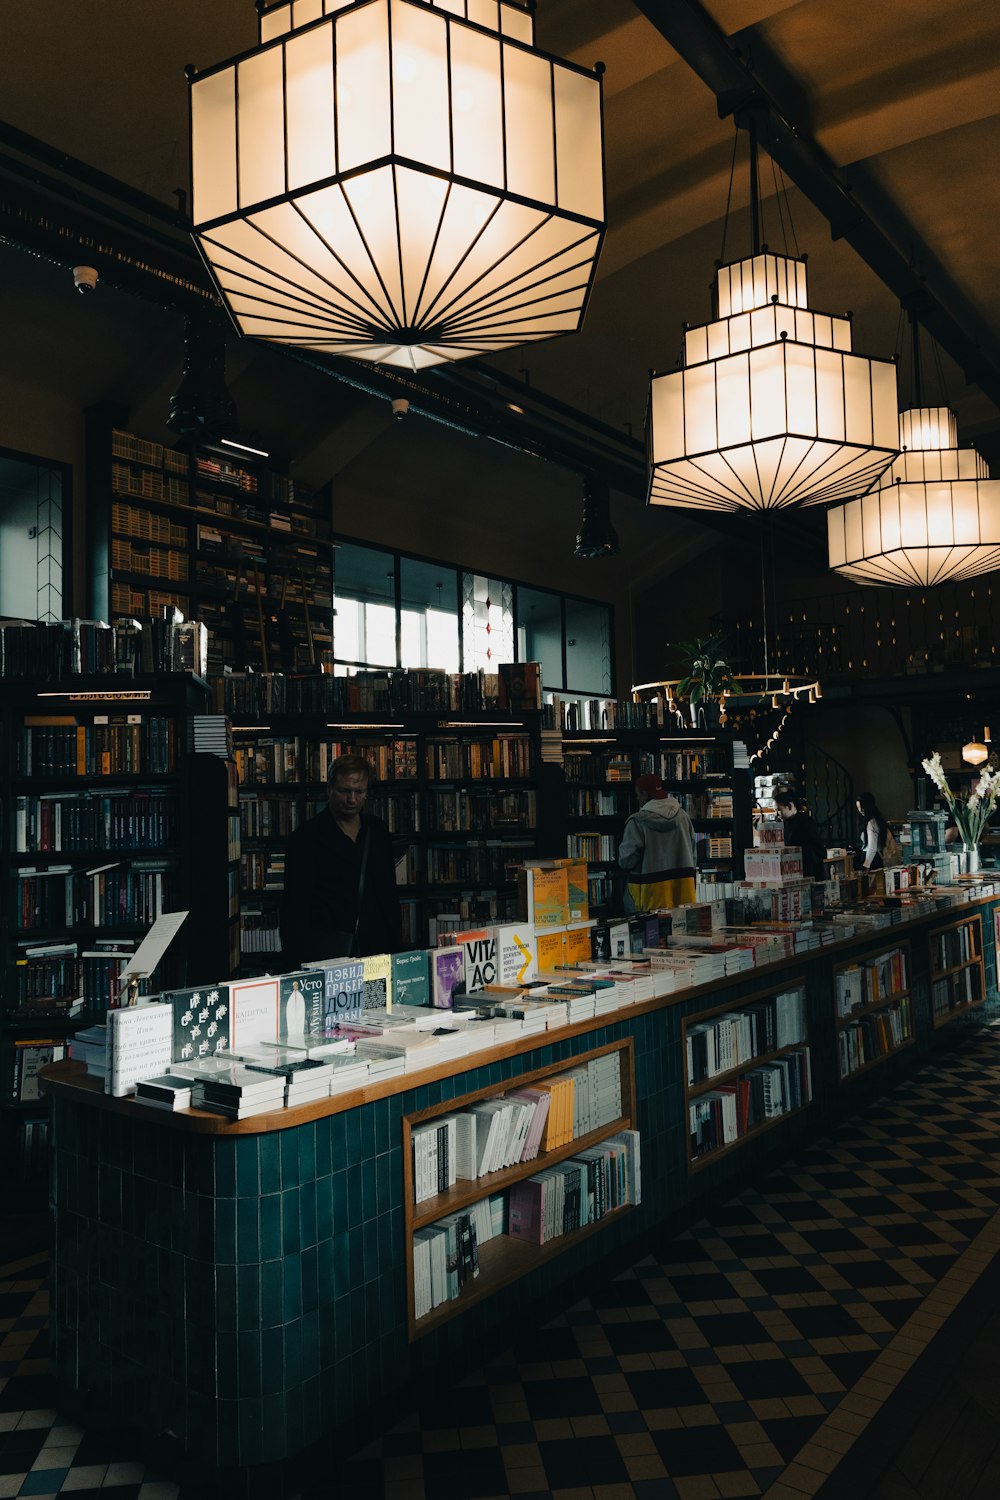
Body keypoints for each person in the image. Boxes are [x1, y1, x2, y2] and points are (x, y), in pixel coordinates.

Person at [279, 753, 402, 969]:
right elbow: (294, 910)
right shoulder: (306, 838)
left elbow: (389, 896)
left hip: (377, 950)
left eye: (359, 792)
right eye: (345, 790)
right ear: (330, 789)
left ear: (366, 793)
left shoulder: (377, 831)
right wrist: (295, 965)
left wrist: (396, 953)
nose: (352, 799)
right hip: (325, 954)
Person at [618, 772, 697, 912]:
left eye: (638, 794)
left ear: (644, 794)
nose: (637, 798)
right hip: (683, 895)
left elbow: (626, 862)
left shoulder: (637, 822)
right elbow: (693, 856)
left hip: (648, 896)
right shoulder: (683, 817)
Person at [774, 794, 827, 881]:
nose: (777, 814)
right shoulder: (784, 824)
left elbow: (817, 849)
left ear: (790, 806)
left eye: (779, 810)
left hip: (808, 870)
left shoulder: (806, 822)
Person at [855, 791, 889, 871]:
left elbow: (872, 847)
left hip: (871, 859)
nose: (860, 810)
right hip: (875, 857)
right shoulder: (877, 819)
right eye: (858, 807)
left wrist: (866, 865)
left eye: (861, 807)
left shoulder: (871, 823)